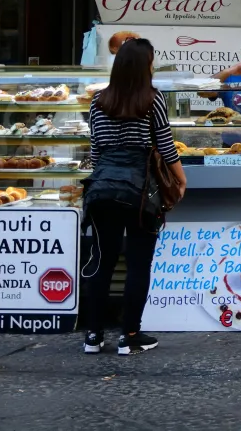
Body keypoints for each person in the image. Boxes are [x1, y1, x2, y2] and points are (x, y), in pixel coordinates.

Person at [80, 37, 187, 356]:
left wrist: (105, 178)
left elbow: (96, 152)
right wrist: (181, 182)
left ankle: (93, 336)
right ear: (145, 67)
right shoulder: (152, 99)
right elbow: (166, 147)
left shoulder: (97, 102)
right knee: (139, 264)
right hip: (140, 192)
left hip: (101, 190)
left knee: (102, 262)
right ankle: (129, 335)